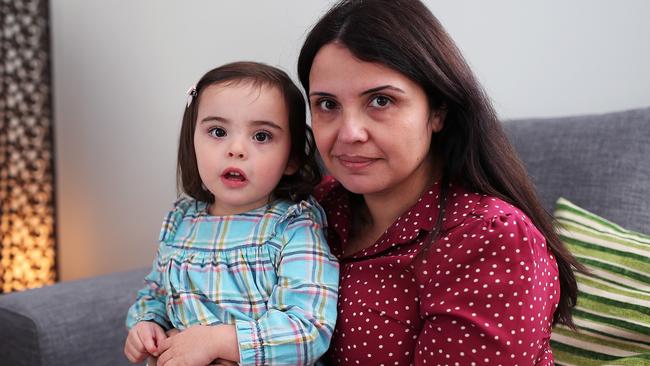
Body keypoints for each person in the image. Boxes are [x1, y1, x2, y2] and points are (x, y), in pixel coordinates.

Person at [297, 0, 583, 364]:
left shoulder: (493, 239)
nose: (349, 132)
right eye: (327, 104)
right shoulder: (310, 211)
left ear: (438, 111)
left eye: (380, 101)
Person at [124, 62, 339, 366]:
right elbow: (157, 293)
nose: (236, 149)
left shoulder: (293, 227)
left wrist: (216, 342)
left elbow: (308, 329)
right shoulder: (181, 221)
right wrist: (146, 325)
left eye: (262, 136)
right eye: (218, 131)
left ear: (291, 158)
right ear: (193, 141)